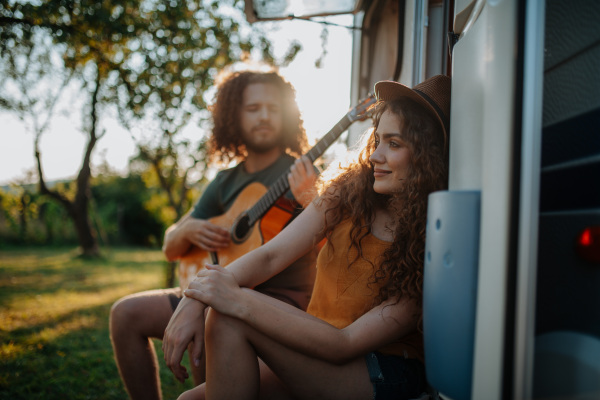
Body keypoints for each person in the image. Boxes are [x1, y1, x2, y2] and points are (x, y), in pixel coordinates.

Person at [162, 74, 451, 400]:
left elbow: (346, 344)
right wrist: (194, 298)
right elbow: (271, 255)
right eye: (378, 140)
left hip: (382, 370)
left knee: (230, 314)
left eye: (394, 144)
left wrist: (224, 296)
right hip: (318, 345)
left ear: (427, 157)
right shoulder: (348, 193)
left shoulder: (429, 239)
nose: (374, 156)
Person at [109, 68, 320, 400]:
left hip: (278, 298)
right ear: (233, 116)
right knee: (125, 313)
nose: (264, 116)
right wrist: (190, 227)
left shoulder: (304, 173)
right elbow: (171, 246)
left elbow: (331, 245)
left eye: (273, 108)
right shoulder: (224, 182)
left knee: (212, 313)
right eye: (253, 108)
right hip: (214, 289)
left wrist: (310, 196)